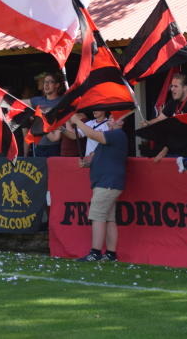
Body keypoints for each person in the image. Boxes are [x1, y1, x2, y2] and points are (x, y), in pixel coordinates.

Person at [71, 112, 128, 263]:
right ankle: (110, 254)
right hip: (105, 182)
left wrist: (77, 121)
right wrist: (87, 163)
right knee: (109, 219)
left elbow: (92, 134)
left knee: (97, 216)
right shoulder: (110, 136)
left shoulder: (117, 134)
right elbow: (95, 157)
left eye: (114, 119)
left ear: (121, 123)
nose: (110, 120)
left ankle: (95, 253)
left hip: (107, 183)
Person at [142, 73, 187, 162]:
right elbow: (159, 119)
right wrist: (148, 123)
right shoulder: (172, 103)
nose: (172, 89)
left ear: (185, 87)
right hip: (177, 150)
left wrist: (166, 148)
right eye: (171, 86)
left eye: (176, 86)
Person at [30, 71, 65, 157]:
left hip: (55, 146)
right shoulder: (37, 100)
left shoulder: (63, 101)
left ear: (57, 85)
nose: (46, 85)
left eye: (50, 82)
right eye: (45, 82)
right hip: (38, 146)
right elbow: (18, 103)